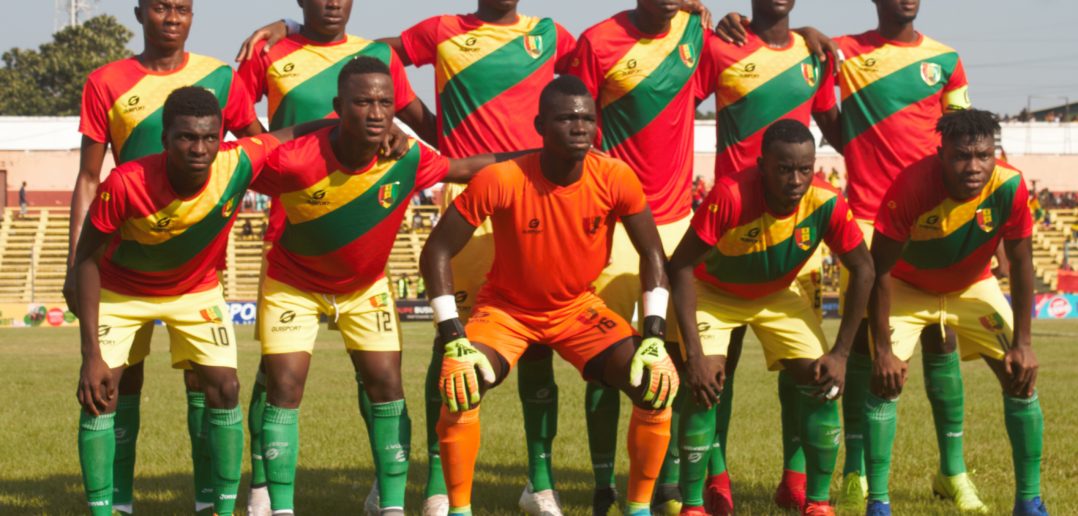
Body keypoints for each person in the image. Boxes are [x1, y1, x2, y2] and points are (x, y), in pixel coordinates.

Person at [714, 0, 978, 507]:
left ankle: (950, 471)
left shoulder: (945, 60)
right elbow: (788, 57)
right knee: (849, 346)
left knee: (937, 336)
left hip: (931, 217)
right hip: (856, 215)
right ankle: (843, 470)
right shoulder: (840, 52)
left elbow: (964, 138)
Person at [246, 56, 517, 516]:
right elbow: (237, 160)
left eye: (384, 103)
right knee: (285, 386)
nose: (376, 113)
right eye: (362, 103)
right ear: (338, 106)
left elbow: (465, 167)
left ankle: (391, 507)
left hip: (363, 289)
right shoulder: (296, 159)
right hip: (294, 285)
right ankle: (279, 506)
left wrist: (544, 155)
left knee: (388, 386)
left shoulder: (406, 157)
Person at [420, 75, 679, 516]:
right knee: (462, 383)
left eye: (587, 118)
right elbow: (436, 252)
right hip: (506, 311)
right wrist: (453, 334)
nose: (579, 127)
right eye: (565, 119)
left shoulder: (615, 176)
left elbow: (653, 254)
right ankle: (457, 508)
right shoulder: (501, 177)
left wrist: (653, 335)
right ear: (540, 125)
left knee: (653, 384)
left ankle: (637, 509)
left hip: (577, 308)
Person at [71, 86, 330, 516]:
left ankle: (220, 510)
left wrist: (357, 125)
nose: (199, 148)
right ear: (165, 138)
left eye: (210, 137)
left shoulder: (237, 160)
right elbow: (86, 260)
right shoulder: (126, 182)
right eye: (186, 137)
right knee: (101, 393)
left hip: (195, 290)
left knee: (226, 388)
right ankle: (106, 510)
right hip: (124, 290)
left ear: (220, 137)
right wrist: (90, 355)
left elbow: (293, 132)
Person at [235, 1, 439, 510]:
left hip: (360, 221)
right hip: (291, 226)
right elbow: (235, 116)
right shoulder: (269, 50)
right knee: (275, 373)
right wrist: (281, 152)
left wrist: (399, 139)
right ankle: (262, 485)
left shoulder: (376, 59)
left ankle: (384, 487)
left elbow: (421, 122)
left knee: (376, 374)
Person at [66, 1, 262, 513]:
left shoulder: (222, 79)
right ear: (140, 13)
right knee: (118, 382)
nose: (172, 18)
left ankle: (209, 501)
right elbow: (88, 178)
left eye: (182, 8)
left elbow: (260, 151)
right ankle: (118, 502)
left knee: (207, 381)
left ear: (193, 15)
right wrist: (72, 263)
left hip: (195, 267)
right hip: (122, 262)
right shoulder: (105, 82)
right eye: (161, 7)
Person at [667, 120, 873, 516]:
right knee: (704, 386)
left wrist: (841, 354)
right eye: (784, 169)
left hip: (778, 294)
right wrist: (694, 355)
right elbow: (680, 266)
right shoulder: (730, 195)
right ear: (762, 166)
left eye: (804, 169)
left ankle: (817, 502)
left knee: (823, 380)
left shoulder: (827, 202)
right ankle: (693, 505)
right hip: (715, 294)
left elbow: (863, 268)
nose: (795, 180)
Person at [691, 0, 842, 509]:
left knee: (802, 366)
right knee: (719, 369)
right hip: (732, 227)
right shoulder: (722, 46)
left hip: (795, 235)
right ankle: (716, 478)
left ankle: (795, 479)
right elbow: (673, 102)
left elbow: (838, 129)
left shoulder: (814, 53)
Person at [568, 1, 714, 511]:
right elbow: (575, 126)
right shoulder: (598, 41)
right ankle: (602, 482)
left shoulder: (694, 30)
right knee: (603, 357)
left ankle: (667, 481)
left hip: (678, 224)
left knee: (675, 354)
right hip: (615, 222)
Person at [865, 109, 1046, 516]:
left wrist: (1023, 343)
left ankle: (1030, 502)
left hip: (972, 286)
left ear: (995, 154)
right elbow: (880, 270)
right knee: (885, 382)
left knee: (1021, 377)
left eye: (984, 155)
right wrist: (883, 351)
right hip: (907, 289)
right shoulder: (911, 186)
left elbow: (1021, 263)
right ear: (941, 155)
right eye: (962, 156)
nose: (974, 166)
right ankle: (878, 503)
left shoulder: (1010, 185)